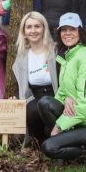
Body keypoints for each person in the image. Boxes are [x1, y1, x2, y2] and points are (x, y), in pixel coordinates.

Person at [37, 13, 86, 172]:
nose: (67, 33)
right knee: (45, 103)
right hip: (81, 120)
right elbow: (62, 92)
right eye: (63, 30)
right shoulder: (69, 57)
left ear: (80, 31)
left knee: (49, 147)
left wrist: (59, 125)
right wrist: (66, 98)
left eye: (72, 29)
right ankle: (69, 149)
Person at [11, 11, 59, 147]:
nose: (33, 31)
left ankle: (57, 142)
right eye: (29, 27)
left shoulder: (55, 50)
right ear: (24, 32)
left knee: (43, 105)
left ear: (44, 28)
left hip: (57, 95)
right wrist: (16, 97)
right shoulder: (22, 57)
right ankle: (40, 144)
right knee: (31, 108)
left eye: (37, 26)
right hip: (35, 96)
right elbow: (21, 85)